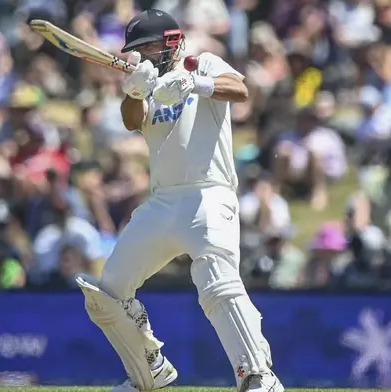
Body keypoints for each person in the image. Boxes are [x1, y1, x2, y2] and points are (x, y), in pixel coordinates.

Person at [74, 9, 283, 392]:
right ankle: (149, 371)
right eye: (138, 48)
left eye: (150, 45)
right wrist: (135, 91)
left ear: (171, 40)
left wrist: (194, 84)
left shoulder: (200, 62)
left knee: (217, 283)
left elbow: (240, 90)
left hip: (209, 193)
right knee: (108, 293)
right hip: (163, 201)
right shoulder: (145, 78)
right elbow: (131, 120)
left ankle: (258, 376)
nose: (145, 53)